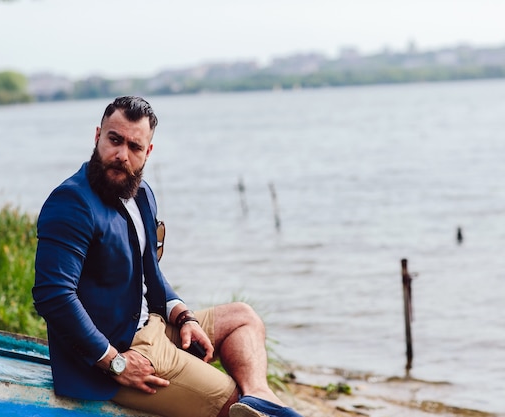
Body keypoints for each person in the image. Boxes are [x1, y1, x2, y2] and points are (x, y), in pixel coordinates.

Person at [33, 96, 304, 417]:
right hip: (120, 352)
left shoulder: (142, 195)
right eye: (114, 140)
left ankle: (258, 395)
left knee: (243, 318)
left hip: (154, 326)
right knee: (236, 405)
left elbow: (149, 274)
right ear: (97, 136)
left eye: (134, 147)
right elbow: (53, 296)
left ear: (147, 152)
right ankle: (256, 406)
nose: (121, 155)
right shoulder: (72, 202)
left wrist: (184, 317)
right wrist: (114, 362)